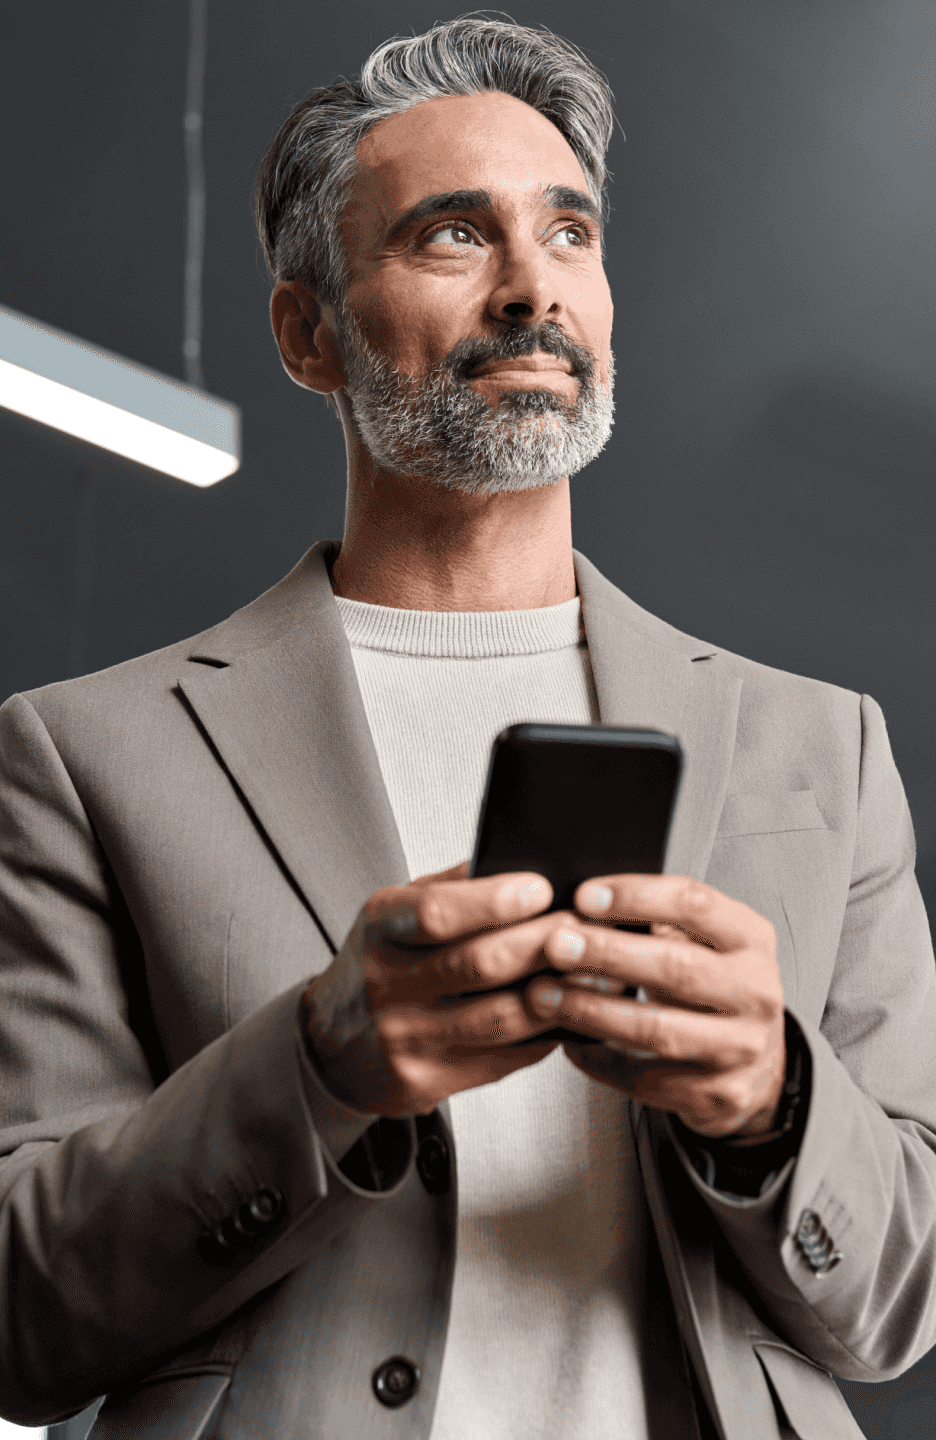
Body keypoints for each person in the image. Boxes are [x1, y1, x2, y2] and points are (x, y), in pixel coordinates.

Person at [0, 15, 934, 1440]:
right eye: (451, 236)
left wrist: (778, 1103)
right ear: (310, 334)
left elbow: (896, 1303)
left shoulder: (827, 746)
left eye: (570, 233)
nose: (528, 289)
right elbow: (22, 1312)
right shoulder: (83, 754)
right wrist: (316, 1069)